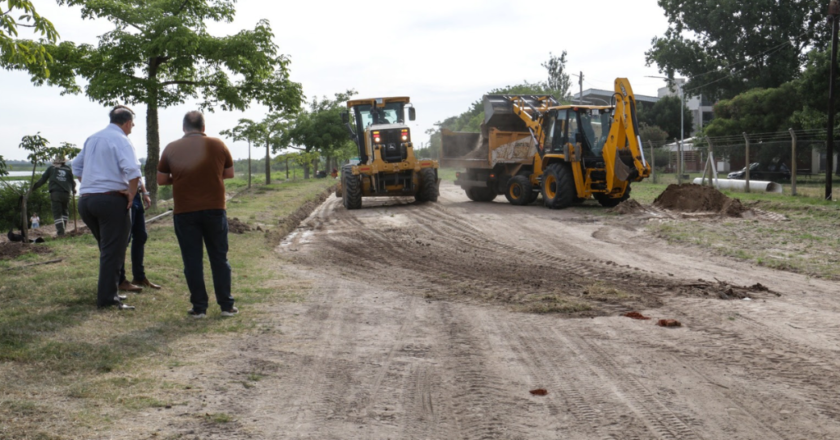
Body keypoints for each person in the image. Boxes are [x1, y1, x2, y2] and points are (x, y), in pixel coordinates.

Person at [158, 111, 237, 319]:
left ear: (184, 128)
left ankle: (199, 308)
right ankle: (226, 306)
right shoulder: (218, 144)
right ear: (203, 127)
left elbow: (161, 179)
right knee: (219, 258)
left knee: (192, 261)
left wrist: (183, 178)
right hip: (215, 209)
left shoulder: (171, 147)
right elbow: (229, 173)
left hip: (185, 211)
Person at [72, 105, 141, 310]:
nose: (133, 127)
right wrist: (132, 193)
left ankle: (110, 290)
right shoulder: (121, 140)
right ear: (127, 122)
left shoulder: (92, 138)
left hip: (86, 201)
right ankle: (108, 299)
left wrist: (91, 184)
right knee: (112, 251)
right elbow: (133, 170)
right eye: (133, 124)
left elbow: (76, 166)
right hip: (110, 201)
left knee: (107, 249)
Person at [117, 177, 162, 293]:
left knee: (141, 236)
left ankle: (139, 277)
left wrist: (145, 193)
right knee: (124, 239)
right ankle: (120, 280)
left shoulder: (131, 158)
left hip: (136, 195)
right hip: (124, 195)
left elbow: (136, 174)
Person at [32, 154, 76, 236]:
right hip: (66, 194)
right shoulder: (68, 169)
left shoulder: (51, 168)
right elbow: (72, 182)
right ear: (64, 162)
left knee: (57, 214)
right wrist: (74, 189)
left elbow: (43, 179)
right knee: (64, 212)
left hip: (56, 194)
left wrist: (33, 188)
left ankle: (60, 233)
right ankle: (63, 230)